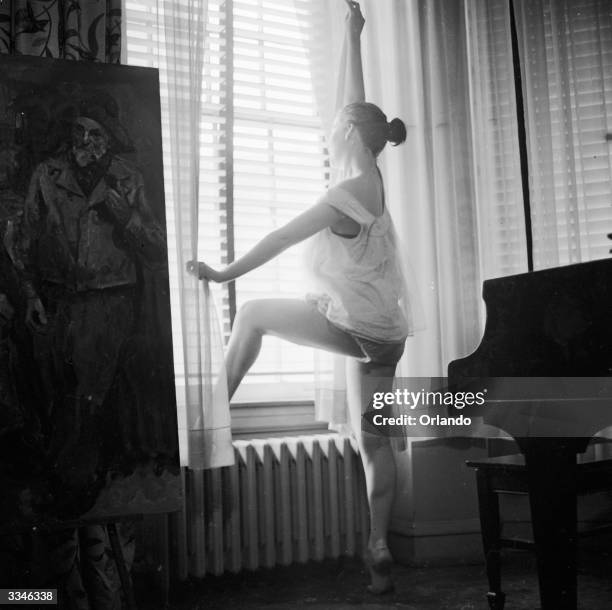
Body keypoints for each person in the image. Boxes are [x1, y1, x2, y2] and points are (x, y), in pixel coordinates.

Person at [187, 0, 413, 594]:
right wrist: (351, 34)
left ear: (344, 133)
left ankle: (211, 421)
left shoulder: (342, 196)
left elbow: (280, 237)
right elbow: (359, 106)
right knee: (373, 441)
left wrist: (221, 272)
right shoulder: (374, 175)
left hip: (357, 328)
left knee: (256, 312)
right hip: (388, 334)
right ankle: (379, 544)